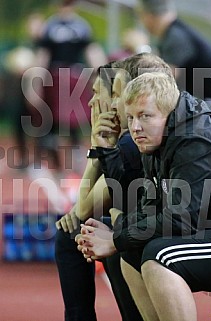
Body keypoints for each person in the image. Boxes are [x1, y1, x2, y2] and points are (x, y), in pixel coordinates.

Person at [76, 71, 211, 321]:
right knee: (132, 253)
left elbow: (181, 219)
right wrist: (117, 235)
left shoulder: (197, 139)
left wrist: (115, 238)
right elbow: (151, 207)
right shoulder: (158, 139)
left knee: (160, 257)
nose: (135, 127)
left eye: (145, 116)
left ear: (169, 111)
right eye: (130, 117)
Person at [55, 53, 173, 321]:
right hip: (155, 222)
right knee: (89, 230)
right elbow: (83, 208)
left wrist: (98, 148)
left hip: (174, 227)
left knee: (97, 233)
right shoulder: (128, 139)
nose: (92, 101)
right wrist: (98, 149)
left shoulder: (132, 143)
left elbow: (83, 208)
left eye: (102, 93)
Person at [32, 0, 107, 171]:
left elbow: (92, 51)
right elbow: (43, 55)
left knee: (73, 117)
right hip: (56, 77)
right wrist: (36, 80)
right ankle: (49, 155)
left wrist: (100, 72)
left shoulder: (78, 26)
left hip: (72, 77)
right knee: (53, 116)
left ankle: (74, 154)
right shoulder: (52, 26)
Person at [136, 0, 211, 127]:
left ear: (147, 16)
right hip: (209, 108)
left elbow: (161, 81)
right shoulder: (175, 32)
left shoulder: (176, 37)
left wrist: (140, 48)